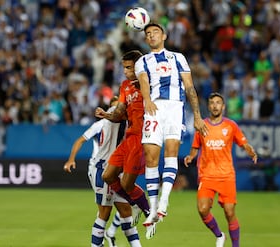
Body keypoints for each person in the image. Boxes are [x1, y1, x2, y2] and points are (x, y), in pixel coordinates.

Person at [134, 23, 208, 226]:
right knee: (150, 156)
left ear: (164, 36)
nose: (151, 36)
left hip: (175, 108)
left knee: (171, 151)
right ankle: (153, 206)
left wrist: (198, 116)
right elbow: (143, 81)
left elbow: (190, 87)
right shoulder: (142, 61)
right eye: (148, 34)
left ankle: (164, 201)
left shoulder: (178, 58)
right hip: (154, 109)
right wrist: (147, 99)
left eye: (155, 32)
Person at [63, 96, 142, 247]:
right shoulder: (103, 123)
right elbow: (80, 140)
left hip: (118, 170)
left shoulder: (127, 121)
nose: (116, 108)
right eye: (113, 107)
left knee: (126, 211)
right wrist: (71, 159)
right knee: (105, 213)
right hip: (102, 168)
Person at [95, 50, 156, 239]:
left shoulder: (151, 84)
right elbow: (119, 113)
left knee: (126, 184)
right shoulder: (125, 86)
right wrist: (106, 114)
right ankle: (140, 204)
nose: (126, 72)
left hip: (142, 137)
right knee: (108, 175)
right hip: (128, 138)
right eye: (124, 68)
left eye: (129, 68)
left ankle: (149, 211)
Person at [184, 92, 258, 247]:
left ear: (223, 106)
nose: (215, 105)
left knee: (229, 212)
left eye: (218, 103)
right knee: (203, 209)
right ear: (209, 106)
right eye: (212, 103)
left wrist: (250, 151)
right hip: (207, 175)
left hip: (226, 176)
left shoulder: (231, 125)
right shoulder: (201, 125)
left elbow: (243, 143)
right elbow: (195, 147)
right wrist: (190, 157)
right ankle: (219, 235)